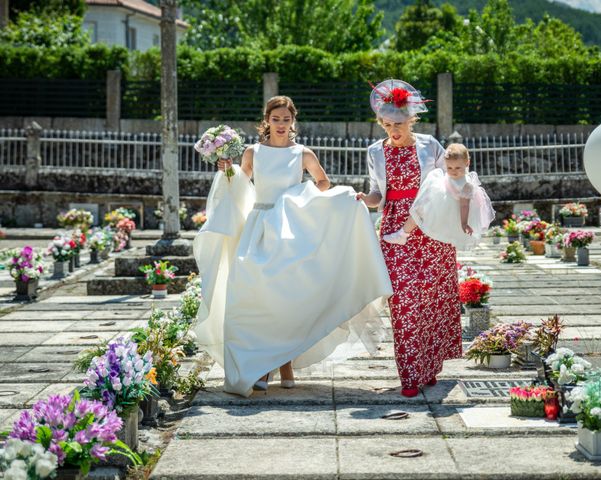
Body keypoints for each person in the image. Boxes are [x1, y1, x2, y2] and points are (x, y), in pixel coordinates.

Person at [193, 95, 393, 397]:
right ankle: (261, 365)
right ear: (266, 121)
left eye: (287, 120)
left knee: (288, 298)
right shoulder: (253, 152)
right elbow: (239, 184)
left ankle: (283, 364)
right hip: (259, 226)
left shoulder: (303, 153)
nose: (282, 125)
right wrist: (226, 169)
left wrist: (317, 201)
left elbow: (323, 184)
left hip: (291, 227)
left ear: (293, 121)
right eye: (276, 119)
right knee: (253, 297)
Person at [356, 79, 462, 397]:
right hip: (393, 232)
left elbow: (452, 180)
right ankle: (410, 374)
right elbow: (379, 193)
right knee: (402, 302)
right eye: (387, 124)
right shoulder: (375, 151)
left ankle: (429, 366)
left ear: (411, 120)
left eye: (399, 124)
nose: (393, 130)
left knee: (431, 301)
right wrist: (364, 198)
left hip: (431, 231)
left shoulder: (430, 146)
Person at [383, 143, 495, 250]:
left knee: (420, 211)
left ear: (467, 163)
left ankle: (402, 234)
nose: (453, 171)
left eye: (457, 168)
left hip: (450, 209)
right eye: (449, 168)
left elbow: (464, 205)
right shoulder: (452, 174)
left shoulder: (467, 185)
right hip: (443, 198)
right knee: (418, 209)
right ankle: (402, 234)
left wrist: (464, 223)